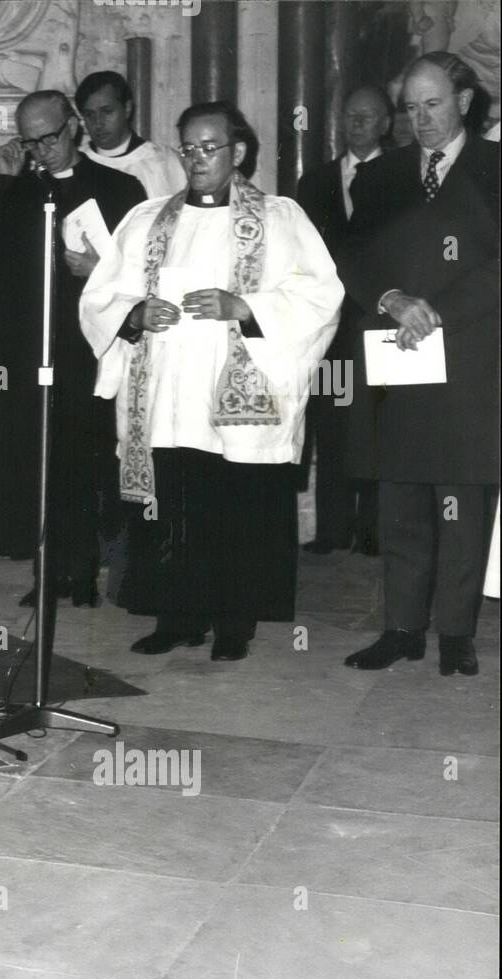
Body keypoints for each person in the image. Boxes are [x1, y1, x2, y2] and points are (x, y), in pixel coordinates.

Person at [81, 101, 343, 661]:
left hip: (235, 403)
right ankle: (177, 617)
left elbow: (322, 296)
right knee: (171, 506)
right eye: (188, 148)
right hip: (166, 397)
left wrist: (244, 306)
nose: (196, 159)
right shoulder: (149, 219)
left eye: (209, 147)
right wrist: (134, 313)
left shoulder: (279, 218)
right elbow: (101, 294)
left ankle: (232, 623)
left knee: (234, 510)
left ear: (238, 152)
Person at [338, 53, 499, 678]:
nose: (421, 119)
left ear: (463, 101)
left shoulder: (495, 168)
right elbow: (352, 252)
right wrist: (392, 300)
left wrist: (436, 311)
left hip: (469, 353)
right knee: (400, 492)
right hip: (396, 348)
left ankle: (456, 634)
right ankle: (402, 628)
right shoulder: (382, 176)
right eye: (411, 107)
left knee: (461, 495)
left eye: (433, 104)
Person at [0, 89, 147, 608]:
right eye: (29, 141)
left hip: (86, 347)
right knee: (37, 463)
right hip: (27, 350)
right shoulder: (18, 189)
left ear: (73, 127)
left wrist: (100, 269)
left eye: (48, 137)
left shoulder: (119, 187)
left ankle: (87, 571)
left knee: (84, 463)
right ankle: (48, 572)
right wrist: (0, 180)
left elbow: (140, 268)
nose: (40, 150)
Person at [295, 86, 392, 556]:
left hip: (378, 326)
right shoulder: (314, 183)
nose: (358, 124)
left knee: (376, 422)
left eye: (368, 117)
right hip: (332, 332)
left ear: (386, 124)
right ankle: (331, 529)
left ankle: (372, 530)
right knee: (332, 421)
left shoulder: (403, 177)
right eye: (351, 116)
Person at [77, 70, 187, 199]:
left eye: (107, 111)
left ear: (127, 109)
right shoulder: (76, 164)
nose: (98, 123)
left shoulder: (166, 162)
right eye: (90, 115)